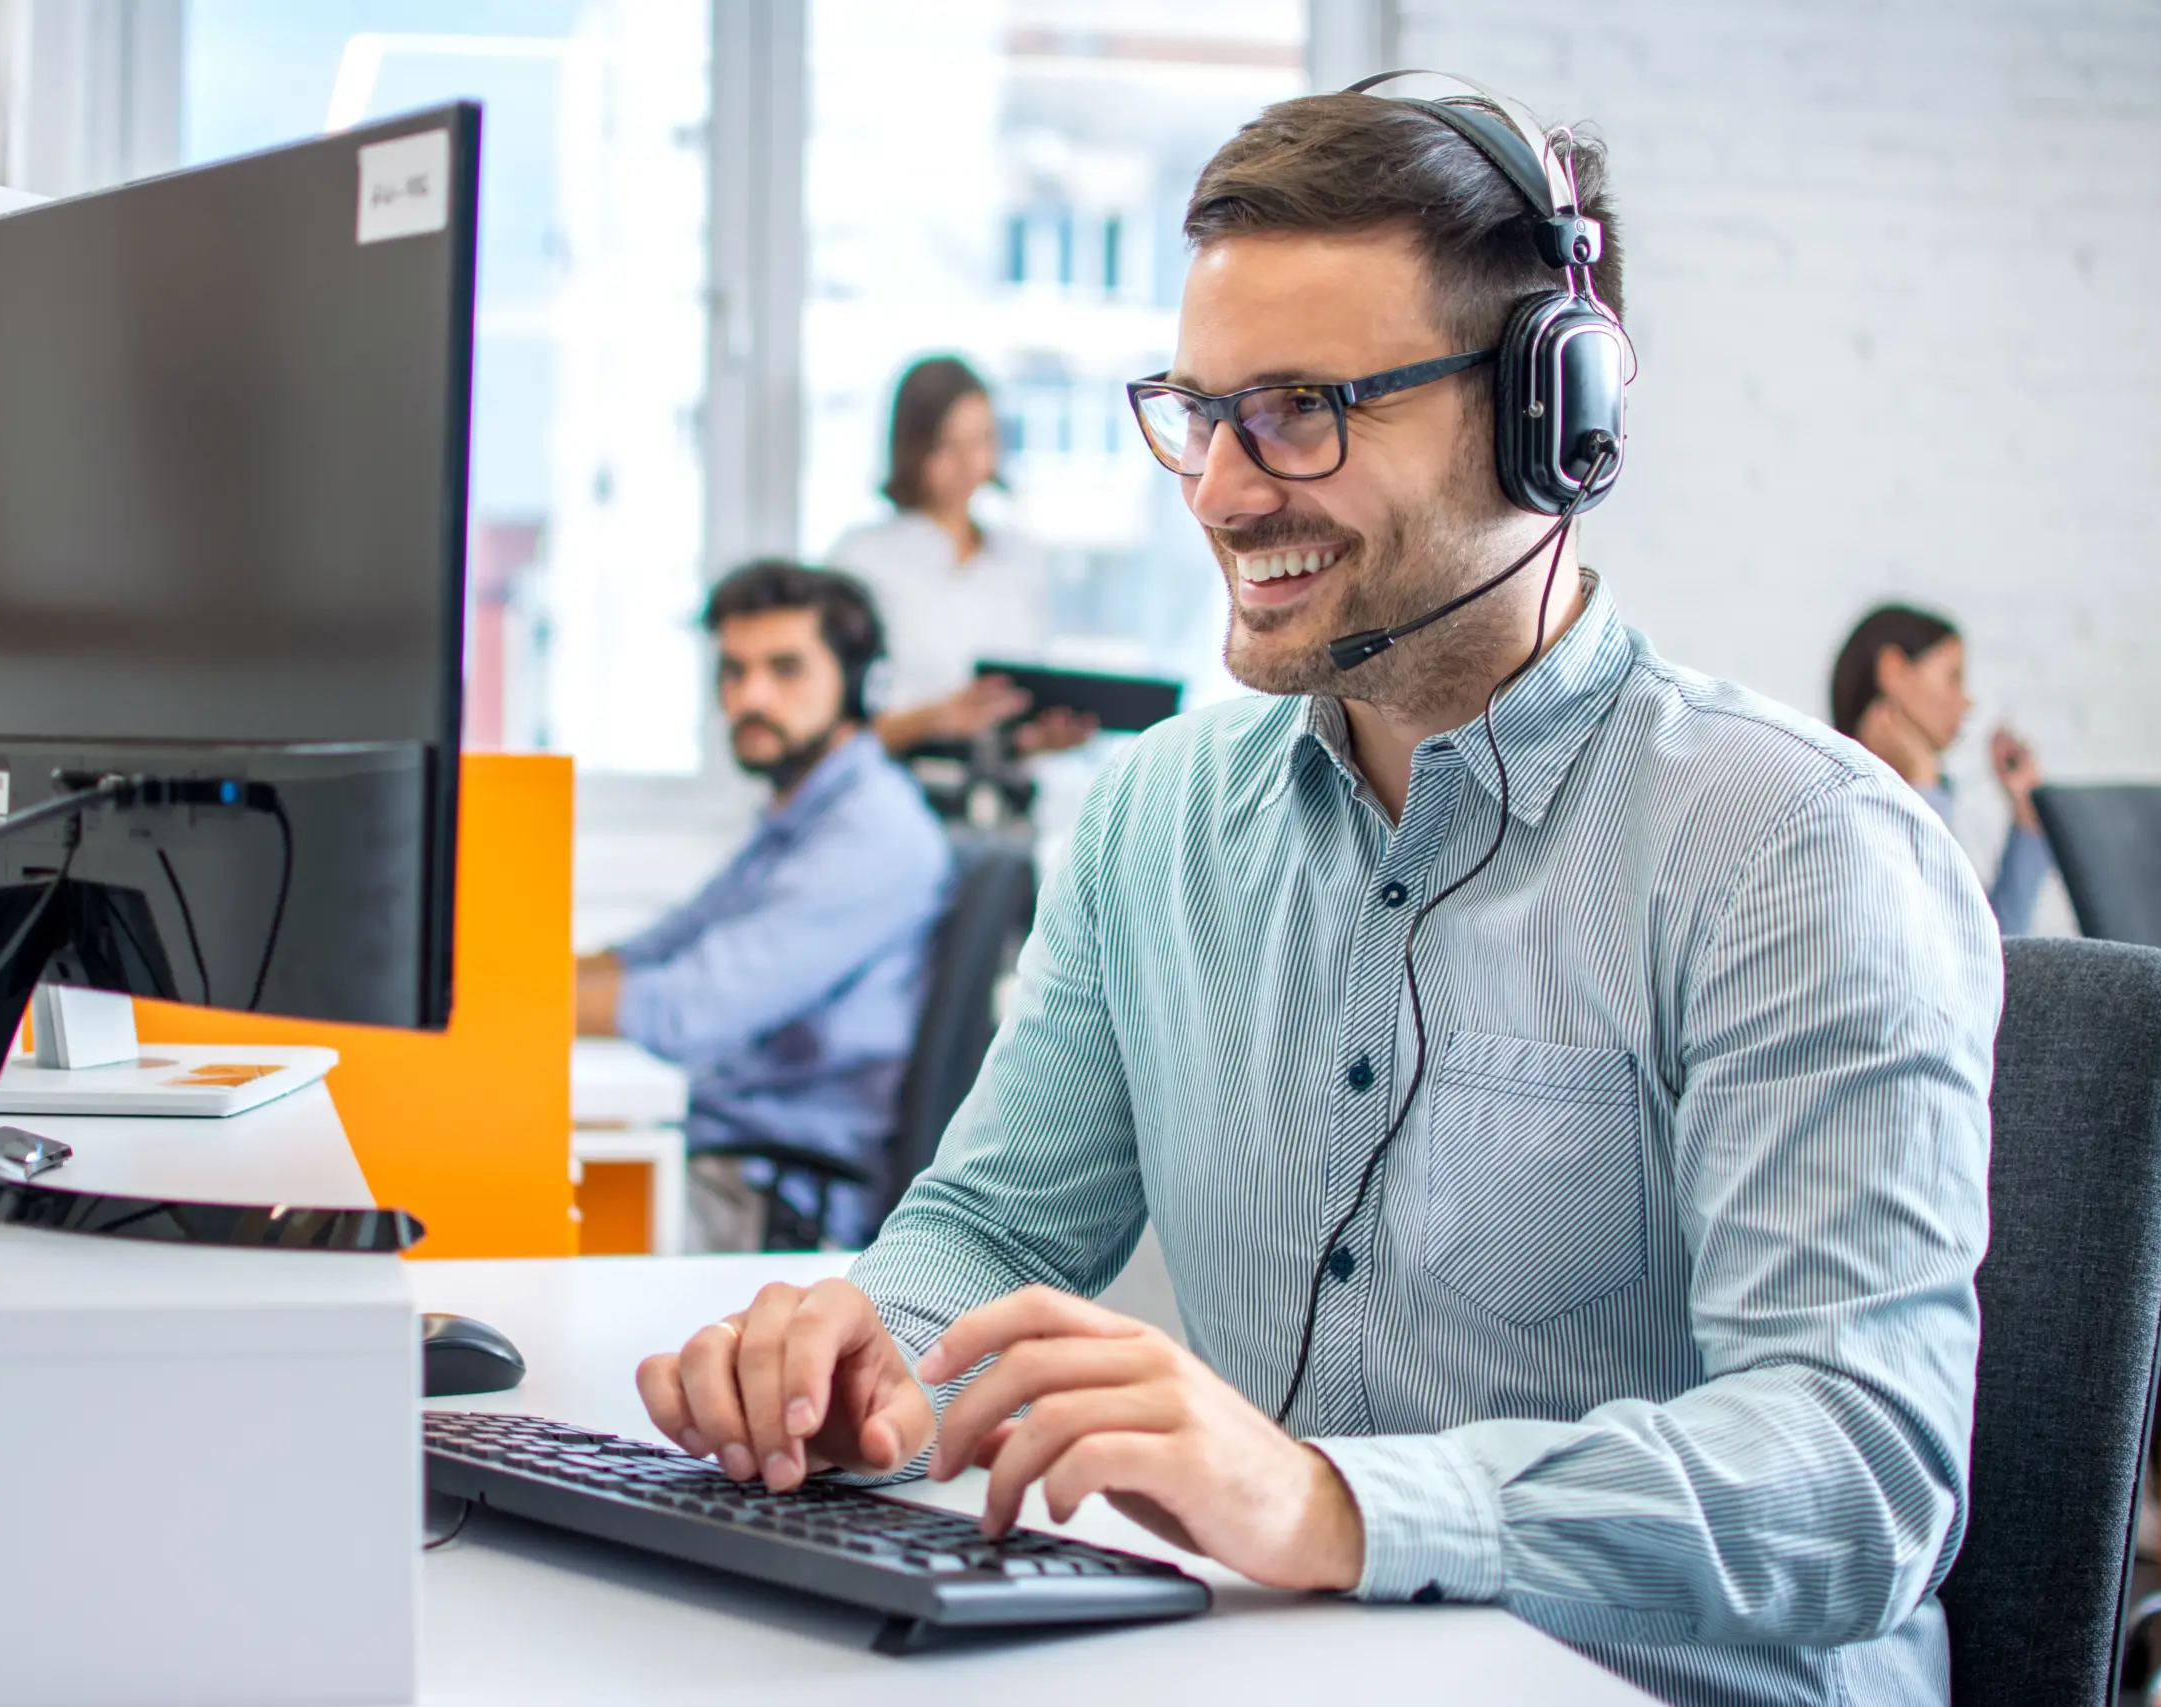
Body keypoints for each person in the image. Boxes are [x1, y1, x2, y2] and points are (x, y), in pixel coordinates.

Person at [636, 83, 1999, 1707]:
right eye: (1199, 411)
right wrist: (864, 1362)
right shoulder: (1156, 821)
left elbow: (1856, 1464)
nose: (1217, 489)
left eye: (1300, 410)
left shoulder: (1795, 851)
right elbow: (991, 1231)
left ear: (1547, 416)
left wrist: (1327, 1502)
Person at [576, 560, 951, 1249]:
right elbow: (657, 950)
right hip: (722, 1151)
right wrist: (503, 980)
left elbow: (690, 1007)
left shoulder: (873, 832)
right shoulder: (800, 815)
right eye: (733, 670)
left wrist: (490, 1007)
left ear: (861, 683)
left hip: (770, 1192)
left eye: (785, 669)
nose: (751, 695)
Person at [828, 356, 1096, 762]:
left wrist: (1041, 738)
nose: (970, 464)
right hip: (902, 789)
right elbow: (830, 731)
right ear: (912, 449)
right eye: (947, 446)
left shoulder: (1020, 562)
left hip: (1002, 801)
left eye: (982, 441)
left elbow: (1020, 711)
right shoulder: (861, 561)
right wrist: (935, 718)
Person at [1833, 604, 2052, 934]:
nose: (1967, 701)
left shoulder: (1933, 794)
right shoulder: (1840, 802)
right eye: (1954, 677)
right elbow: (1933, 944)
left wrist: (2025, 813)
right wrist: (1922, 780)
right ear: (1894, 671)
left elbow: (1993, 953)